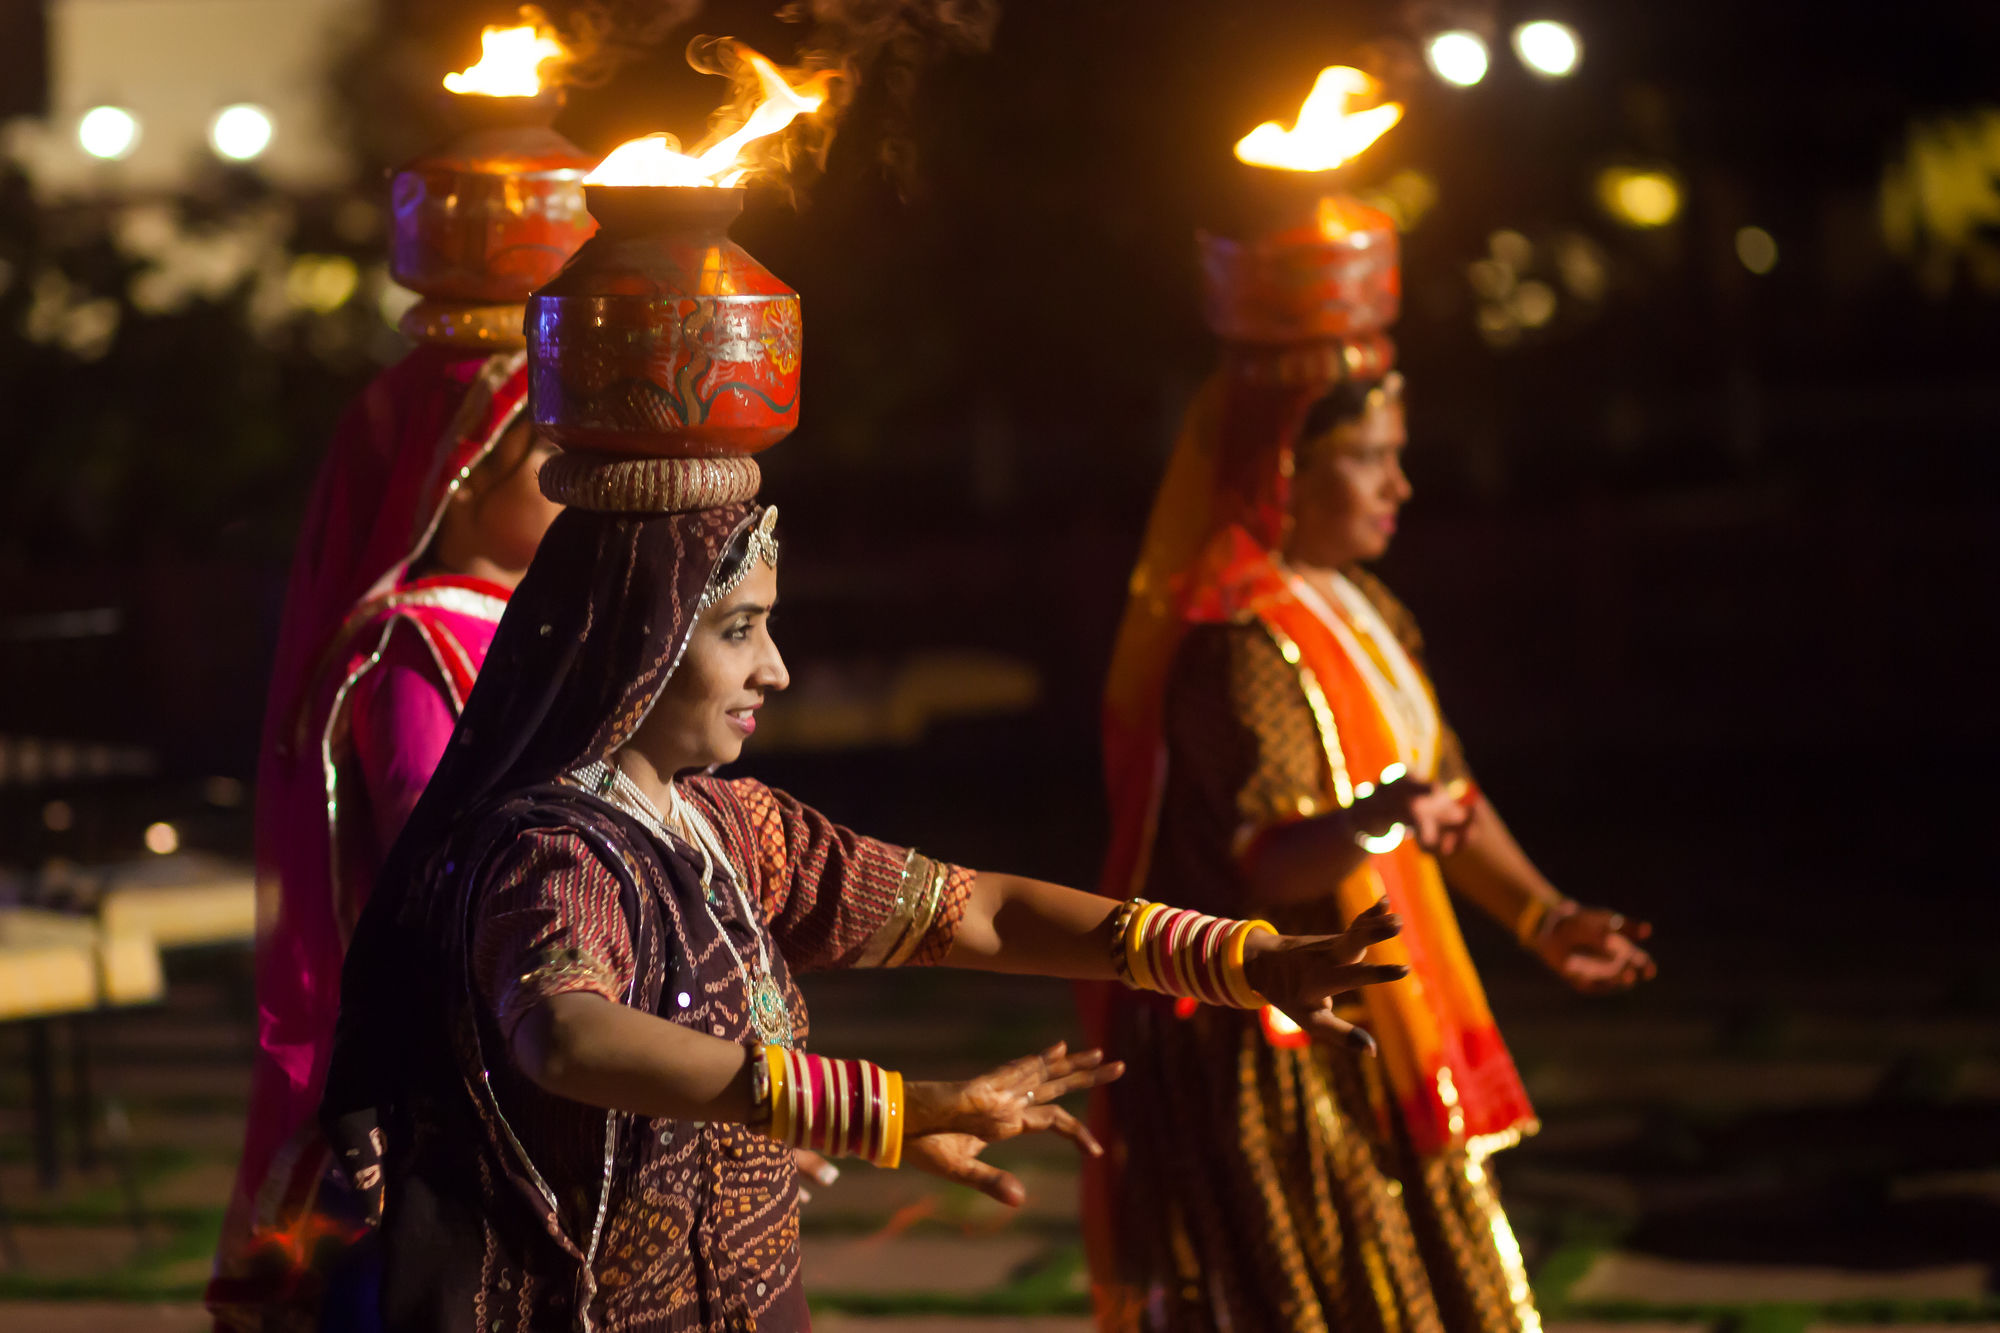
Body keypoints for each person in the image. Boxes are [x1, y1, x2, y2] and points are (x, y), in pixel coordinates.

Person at [319, 485, 1413, 1333]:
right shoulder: (554, 848)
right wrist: (887, 1109)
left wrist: (1230, 957)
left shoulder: (733, 827)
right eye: (739, 628)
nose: (777, 669)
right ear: (636, 639)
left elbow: (972, 910)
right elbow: (567, 1032)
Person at [1083, 369, 1656, 1333]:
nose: (1402, 485)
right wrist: (1375, 820)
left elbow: (1450, 793)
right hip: (1288, 1045)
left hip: (1391, 1015)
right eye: (1372, 458)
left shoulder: (1367, 612)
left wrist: (1544, 916)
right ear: (1285, 475)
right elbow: (1257, 865)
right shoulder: (1240, 645)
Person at [210, 347, 561, 1331]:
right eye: (546, 448)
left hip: (545, 976)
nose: (579, 468)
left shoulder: (545, 626)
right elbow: (427, 831)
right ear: (456, 476)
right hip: (448, 1007)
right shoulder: (411, 638)